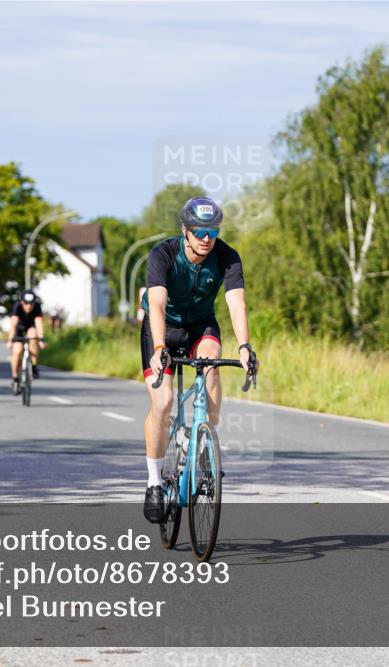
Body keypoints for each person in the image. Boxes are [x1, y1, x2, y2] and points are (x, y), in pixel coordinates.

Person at [139, 196, 258, 524]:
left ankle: (205, 434)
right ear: (185, 231)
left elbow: (236, 302)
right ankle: (152, 482)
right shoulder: (162, 254)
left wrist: (245, 345)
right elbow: (157, 303)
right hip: (163, 328)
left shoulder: (226, 256)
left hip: (200, 325)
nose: (207, 239)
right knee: (162, 403)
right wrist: (160, 344)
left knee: (211, 365)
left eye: (213, 231)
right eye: (200, 232)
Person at [6, 290, 47, 393]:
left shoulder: (37, 307)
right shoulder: (17, 306)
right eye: (26, 303)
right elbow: (13, 324)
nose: (29, 306)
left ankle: (34, 365)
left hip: (31, 327)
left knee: (33, 337)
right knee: (17, 352)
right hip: (19, 329)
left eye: (31, 304)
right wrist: (10, 340)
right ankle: (15, 378)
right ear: (22, 302)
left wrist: (41, 339)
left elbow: (38, 323)